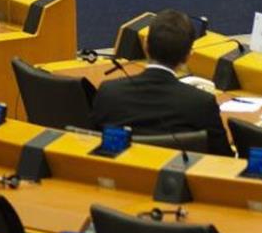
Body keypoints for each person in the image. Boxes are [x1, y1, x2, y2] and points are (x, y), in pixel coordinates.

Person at [90, 10, 234, 156]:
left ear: (146, 46)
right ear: (188, 55)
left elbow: (88, 143)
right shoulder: (201, 103)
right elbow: (224, 158)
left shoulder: (109, 92)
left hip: (121, 174)